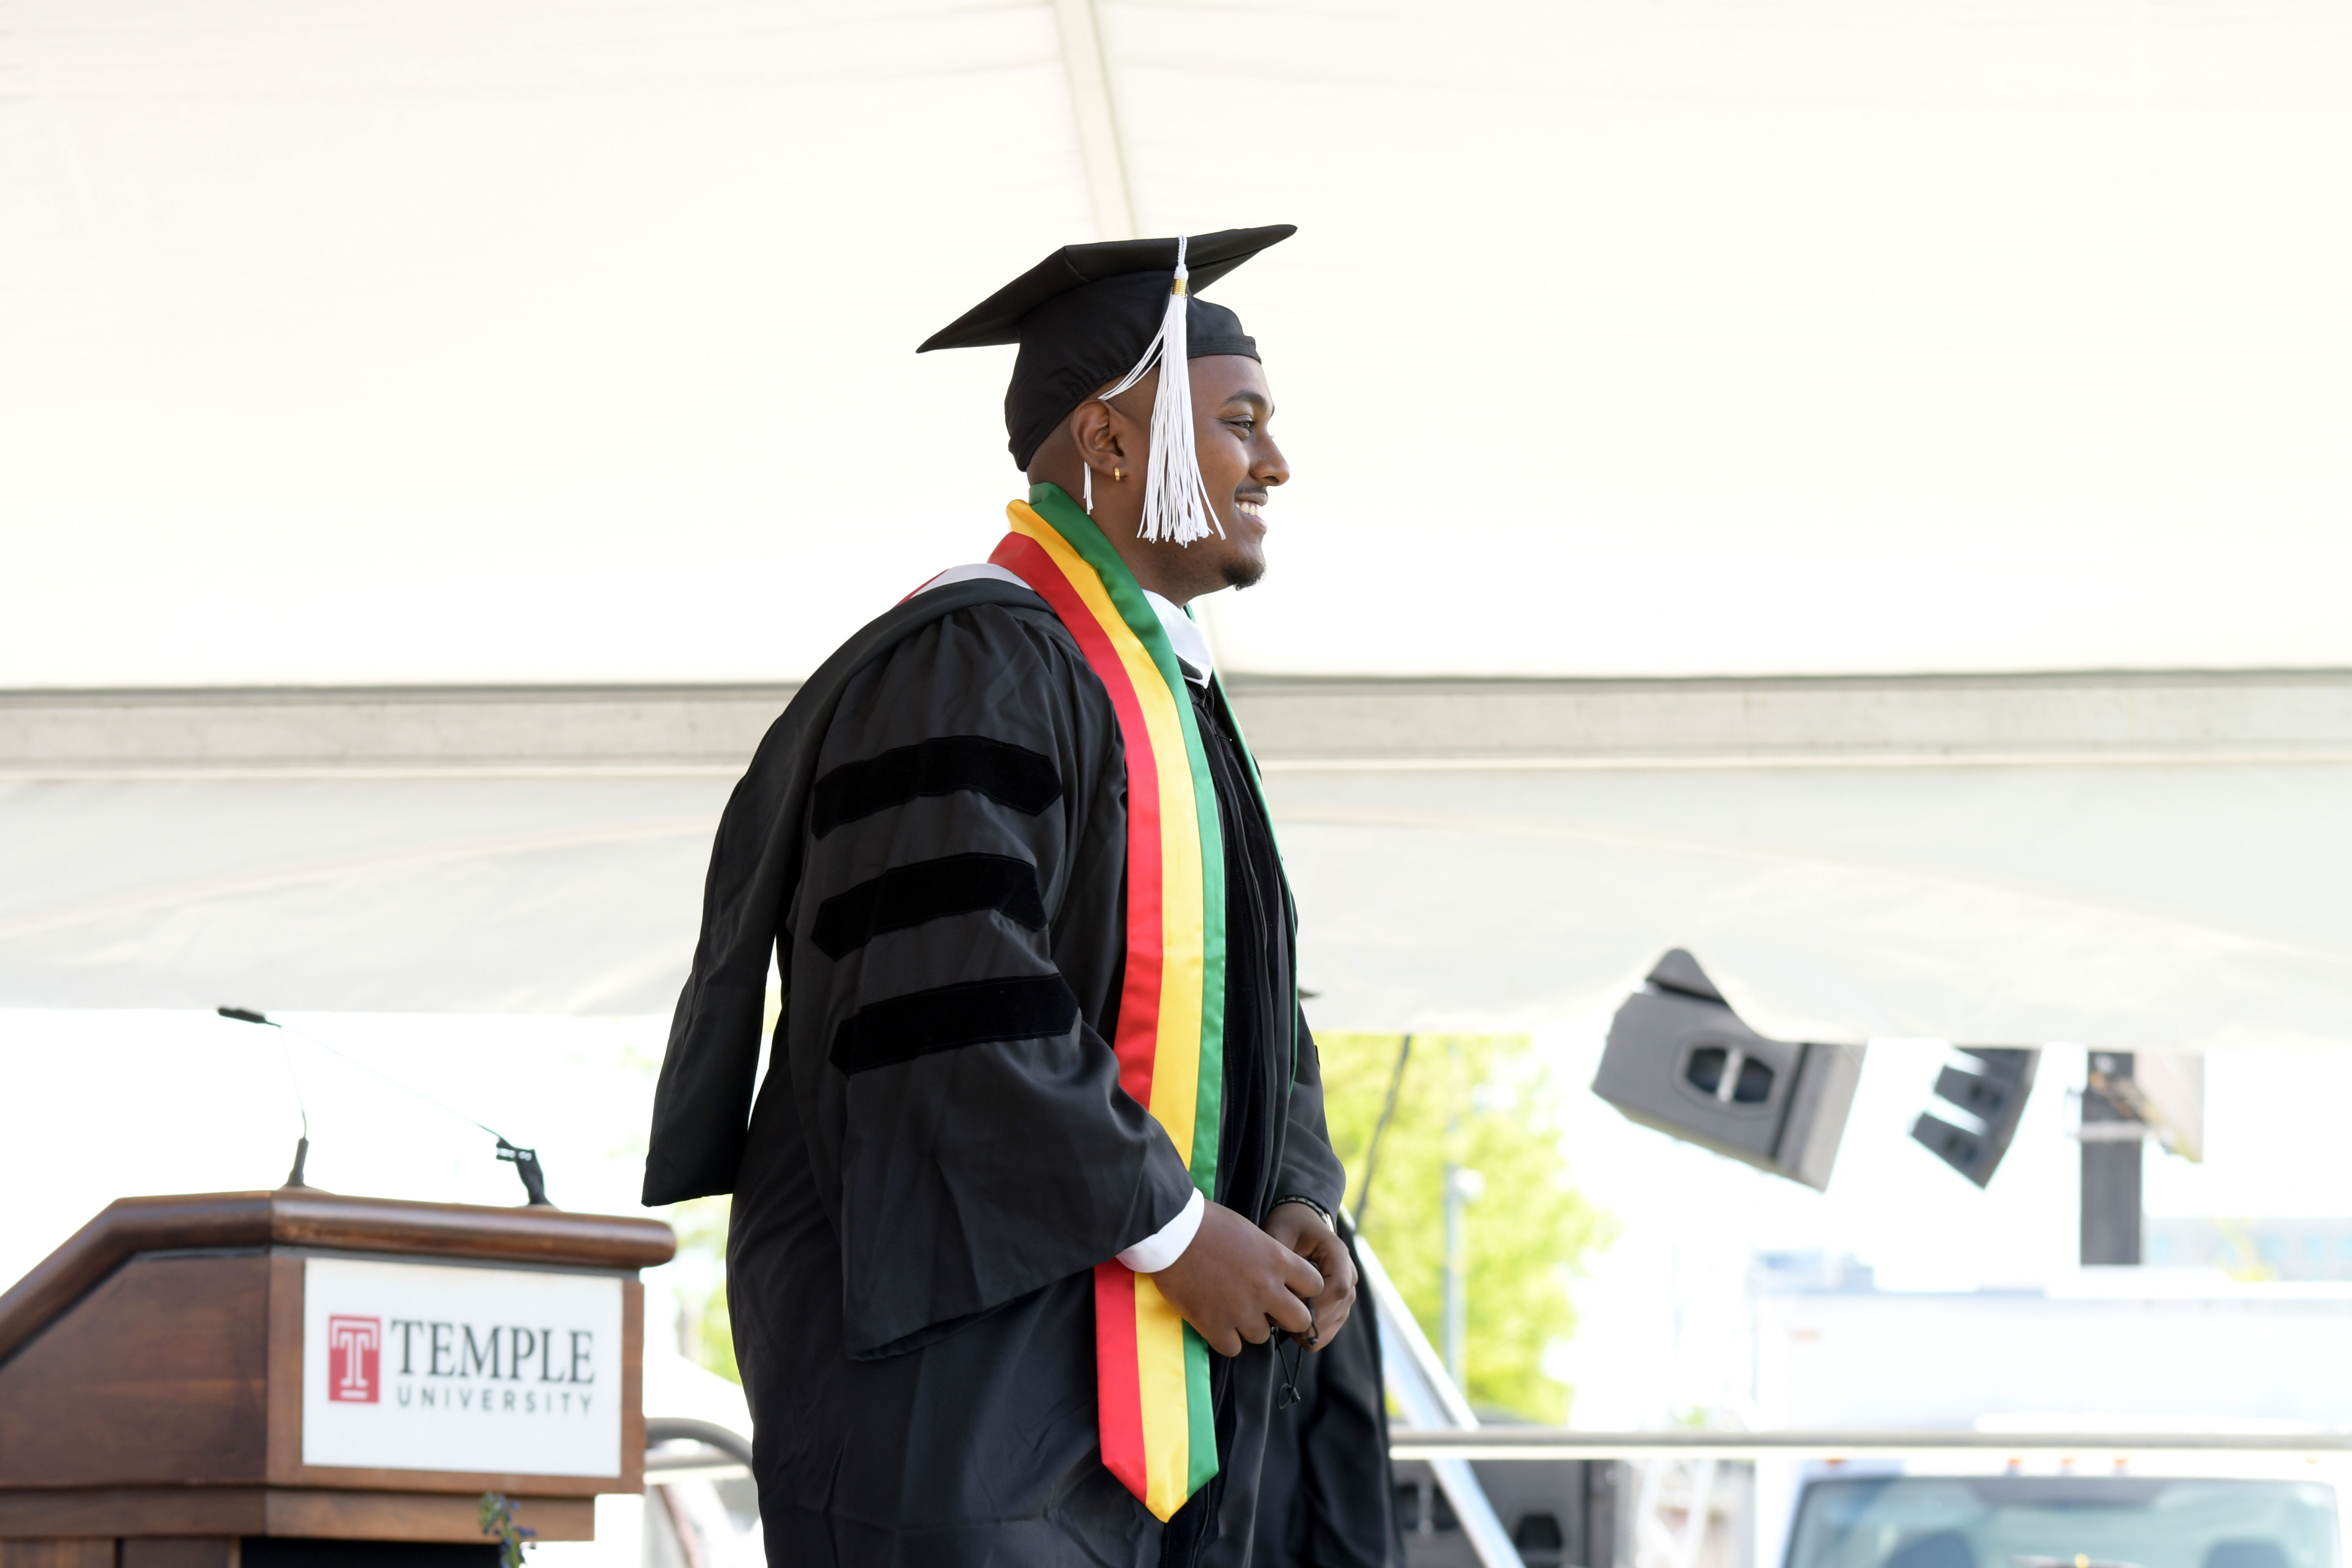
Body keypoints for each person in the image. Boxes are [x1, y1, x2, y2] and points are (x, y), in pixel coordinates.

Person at [642, 225, 1357, 1568]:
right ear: (1106, 438)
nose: (1273, 461)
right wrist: (1178, 1227)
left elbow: (1253, 996)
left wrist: (1298, 1191)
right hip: (963, 1374)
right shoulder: (974, 663)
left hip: (1122, 1388)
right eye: (1240, 422)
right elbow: (949, 985)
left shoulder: (1173, 700)